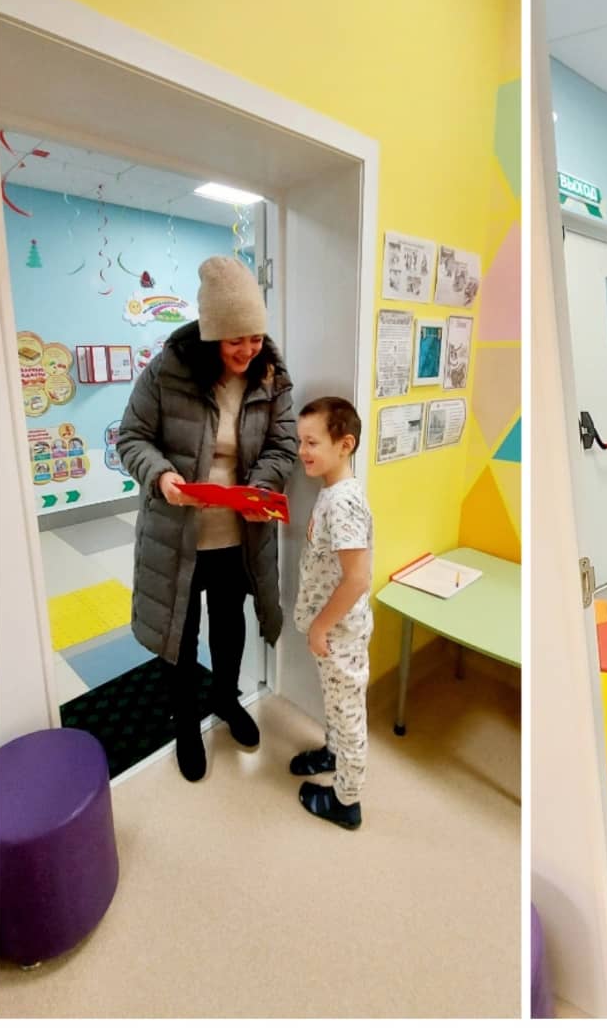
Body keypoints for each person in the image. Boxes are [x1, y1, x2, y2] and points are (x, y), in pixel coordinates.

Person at [118, 256, 298, 781]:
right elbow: (132, 437)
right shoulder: (168, 371)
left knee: (229, 621)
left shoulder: (271, 376)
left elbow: (283, 445)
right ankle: (184, 725)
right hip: (177, 533)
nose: (248, 350)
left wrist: (259, 486)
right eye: (234, 339)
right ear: (210, 334)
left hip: (238, 534)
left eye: (255, 337)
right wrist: (162, 478)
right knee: (180, 632)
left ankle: (225, 697)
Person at [290, 397, 374, 831]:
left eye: (312, 442)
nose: (302, 451)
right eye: (300, 441)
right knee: (336, 704)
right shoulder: (332, 492)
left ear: (345, 445)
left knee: (348, 713)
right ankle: (334, 753)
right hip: (332, 630)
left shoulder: (343, 503)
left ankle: (347, 800)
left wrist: (320, 627)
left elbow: (357, 578)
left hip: (339, 631)